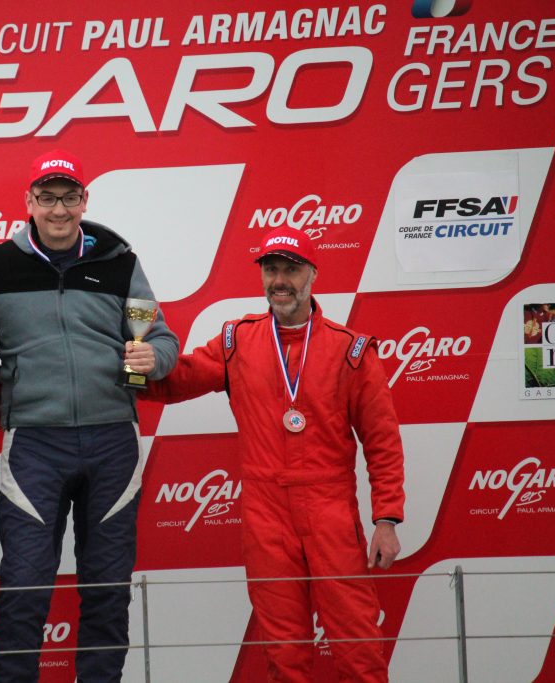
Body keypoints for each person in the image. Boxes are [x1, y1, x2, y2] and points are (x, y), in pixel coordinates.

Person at [142, 226, 405, 682]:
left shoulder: (350, 350)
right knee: (284, 651)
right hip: (265, 513)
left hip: (329, 508)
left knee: (357, 642)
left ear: (313, 274)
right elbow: (176, 381)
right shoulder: (237, 341)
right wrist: (132, 368)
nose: (280, 280)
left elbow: (382, 441)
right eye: (271, 270)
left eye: (291, 269)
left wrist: (387, 519)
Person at [0, 150, 179, 682]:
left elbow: (162, 339)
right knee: (24, 586)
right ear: (29, 201)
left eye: (69, 197)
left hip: (113, 441)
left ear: (85, 200)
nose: (59, 209)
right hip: (35, 445)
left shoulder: (119, 261)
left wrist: (153, 359)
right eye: (47, 197)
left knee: (107, 588)